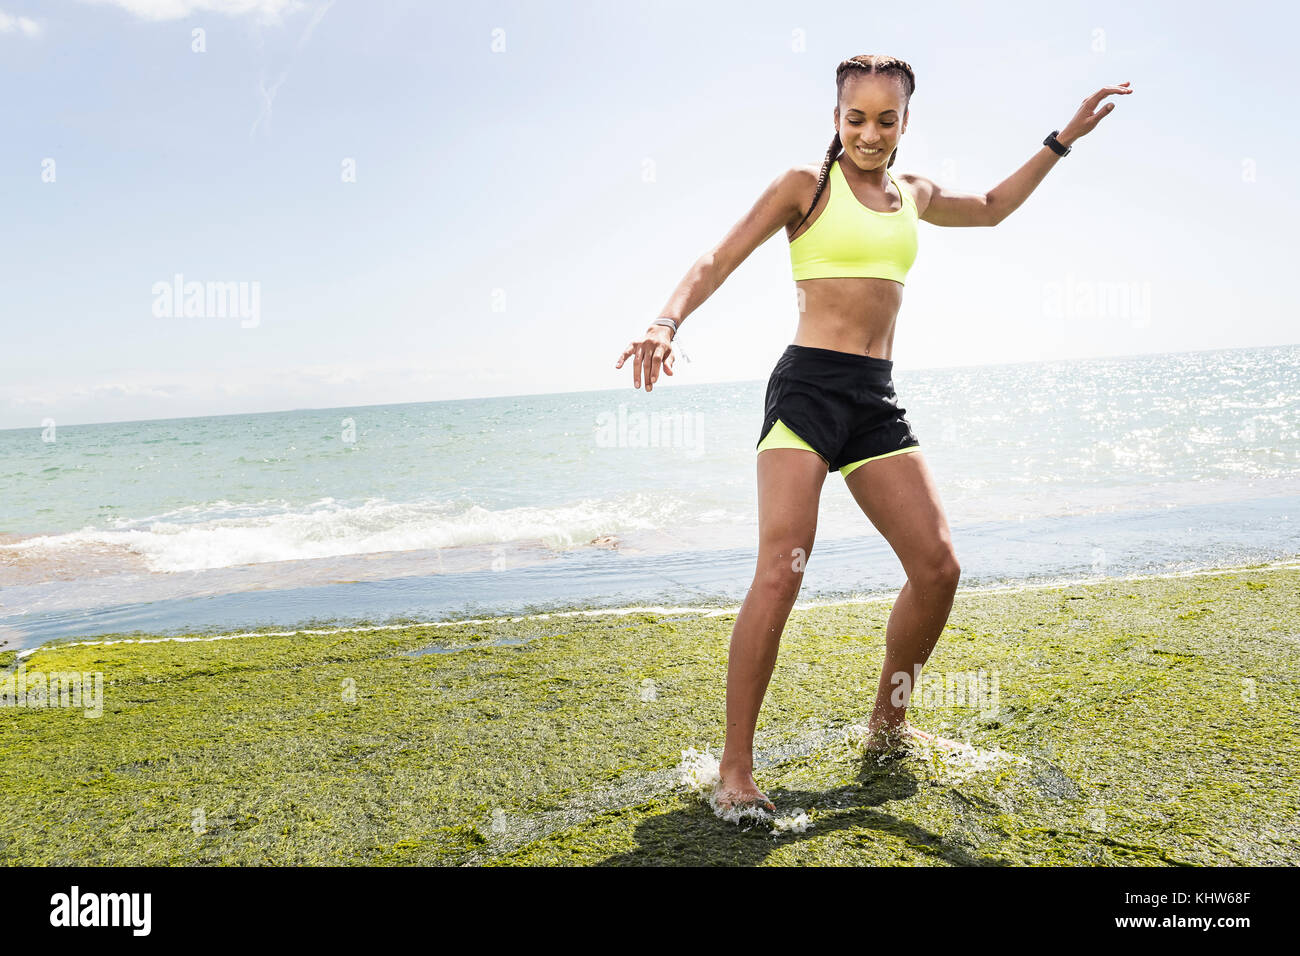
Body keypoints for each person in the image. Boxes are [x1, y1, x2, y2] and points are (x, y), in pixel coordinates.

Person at [615, 54, 1132, 814]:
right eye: (855, 117)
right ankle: (735, 769)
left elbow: (990, 205)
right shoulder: (806, 186)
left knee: (939, 566)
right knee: (782, 569)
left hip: (874, 399)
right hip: (807, 392)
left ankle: (887, 724)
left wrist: (1063, 139)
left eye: (885, 119)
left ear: (904, 123)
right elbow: (716, 258)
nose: (869, 132)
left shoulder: (912, 194)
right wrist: (665, 321)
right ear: (836, 119)